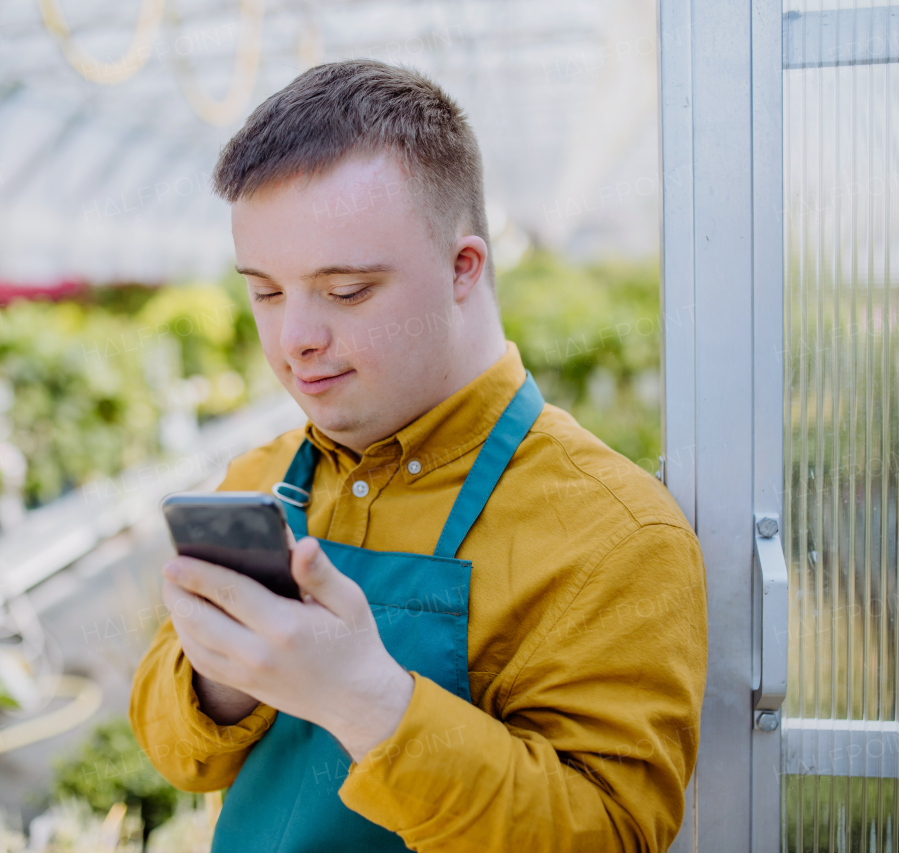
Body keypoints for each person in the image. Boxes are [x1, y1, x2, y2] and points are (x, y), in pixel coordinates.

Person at [129, 58, 707, 852]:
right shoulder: (257, 480)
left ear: (463, 267)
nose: (295, 338)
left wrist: (368, 701)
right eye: (265, 291)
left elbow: (606, 831)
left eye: (346, 290)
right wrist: (223, 677)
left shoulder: (616, 535)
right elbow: (175, 753)